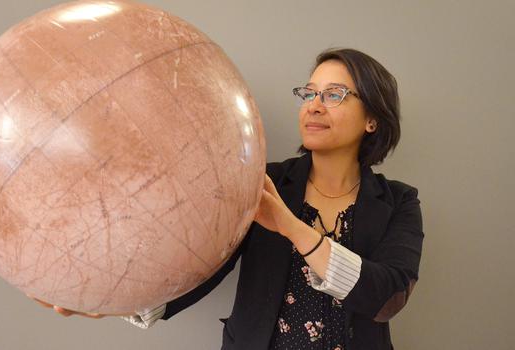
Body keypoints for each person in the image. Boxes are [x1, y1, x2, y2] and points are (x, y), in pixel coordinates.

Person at [31, 48, 424, 350]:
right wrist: (114, 301)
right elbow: (206, 268)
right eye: (310, 93)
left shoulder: (400, 202)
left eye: (335, 94)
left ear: (373, 119)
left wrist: (288, 224)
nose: (314, 105)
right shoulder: (262, 180)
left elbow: (385, 297)